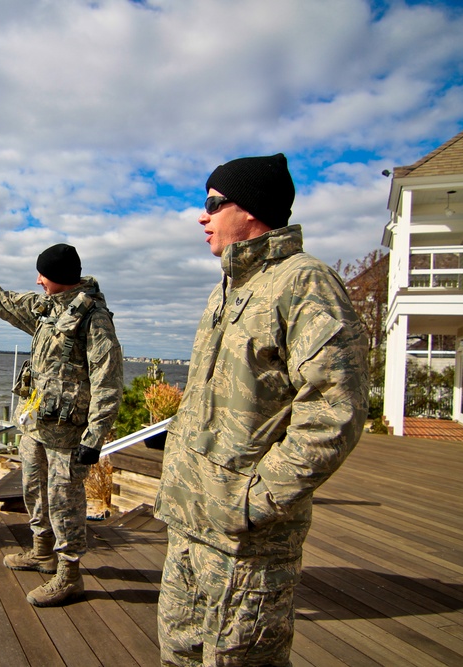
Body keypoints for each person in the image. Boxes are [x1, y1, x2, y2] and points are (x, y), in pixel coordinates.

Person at [154, 154, 370, 666]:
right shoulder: (228, 288)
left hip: (245, 544)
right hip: (190, 523)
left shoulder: (304, 283)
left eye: (211, 204)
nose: (201, 217)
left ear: (249, 210)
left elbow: (336, 409)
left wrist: (257, 499)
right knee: (177, 655)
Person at [0, 243, 123, 607]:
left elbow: (108, 381)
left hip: (68, 433)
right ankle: (42, 551)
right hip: (36, 424)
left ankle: (69, 575)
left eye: (43, 275)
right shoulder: (46, 307)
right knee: (33, 489)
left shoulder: (94, 319)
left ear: (60, 278)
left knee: (64, 501)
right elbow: (3, 299)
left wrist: (94, 437)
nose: (38, 281)